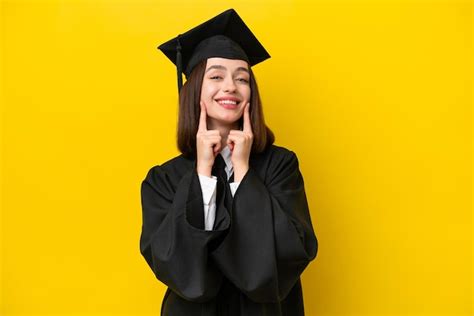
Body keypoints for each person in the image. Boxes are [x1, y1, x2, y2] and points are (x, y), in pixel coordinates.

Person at [139, 8, 318, 316]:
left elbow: (289, 256)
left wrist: (244, 172)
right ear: (195, 89)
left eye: (242, 78)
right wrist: (203, 177)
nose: (231, 87)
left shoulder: (280, 166)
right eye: (217, 76)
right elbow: (177, 270)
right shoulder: (163, 180)